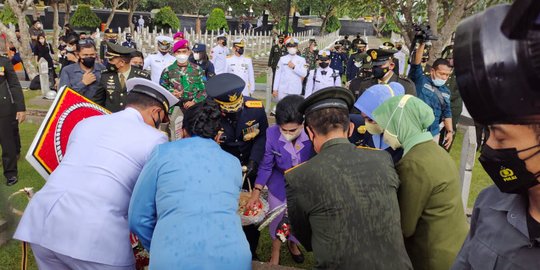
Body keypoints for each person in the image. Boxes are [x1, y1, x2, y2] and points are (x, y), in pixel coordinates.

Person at [14, 78, 179, 270]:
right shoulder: (156, 138)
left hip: (41, 222)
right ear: (156, 112)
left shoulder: (87, 123)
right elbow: (151, 194)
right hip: (94, 236)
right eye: (160, 120)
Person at [285, 87, 412, 269]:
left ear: (309, 132)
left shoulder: (298, 176)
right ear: (351, 128)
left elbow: (305, 236)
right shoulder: (382, 159)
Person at [129, 99, 251, 270]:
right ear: (218, 135)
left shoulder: (162, 153)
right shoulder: (233, 163)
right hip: (233, 258)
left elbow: (137, 218)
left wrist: (159, 247)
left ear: (182, 130)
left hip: (173, 258)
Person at [372, 95, 468, 270]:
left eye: (387, 126)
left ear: (400, 123)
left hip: (432, 257)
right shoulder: (436, 151)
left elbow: (403, 226)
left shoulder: (413, 164)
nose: (384, 132)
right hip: (454, 249)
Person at [206, 73, 269, 260]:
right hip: (222, 172)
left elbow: (261, 136)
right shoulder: (209, 114)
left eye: (237, 106)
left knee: (250, 214)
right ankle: (224, 249)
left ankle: (251, 250)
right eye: (229, 108)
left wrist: (254, 161)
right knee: (223, 212)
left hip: (249, 169)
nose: (234, 111)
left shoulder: (255, 108)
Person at [246, 95, 312, 265]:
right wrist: (256, 191)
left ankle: (292, 243)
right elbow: (266, 165)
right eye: (284, 130)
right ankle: (275, 250)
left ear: (303, 123)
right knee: (277, 218)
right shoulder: (271, 133)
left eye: (293, 130)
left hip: (304, 184)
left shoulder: (313, 133)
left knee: (299, 219)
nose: (288, 134)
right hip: (278, 183)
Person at [409, 42, 453, 148]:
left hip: (432, 133)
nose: (444, 78)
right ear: (433, 71)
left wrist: (450, 131)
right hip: (414, 129)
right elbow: (416, 65)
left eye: (447, 75)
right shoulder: (421, 80)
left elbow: (447, 113)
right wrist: (422, 44)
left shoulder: (446, 92)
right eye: (441, 73)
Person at [353, 82, 405, 163]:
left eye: (370, 119)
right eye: (364, 119)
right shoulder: (371, 132)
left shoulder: (405, 143)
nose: (367, 124)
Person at [93, 42, 151, 112]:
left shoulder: (142, 77)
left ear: (122, 63)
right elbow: (98, 102)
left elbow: (147, 103)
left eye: (111, 60)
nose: (109, 62)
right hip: (112, 118)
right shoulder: (106, 76)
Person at [349, 48, 416, 99]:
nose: (376, 68)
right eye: (374, 65)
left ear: (391, 66)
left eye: (380, 65)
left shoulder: (405, 85)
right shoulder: (365, 84)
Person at [0, 55, 25, 186]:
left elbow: (14, 85)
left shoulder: (4, 62)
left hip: (4, 108)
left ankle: (10, 174)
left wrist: (20, 108)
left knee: (7, 142)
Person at [160, 39, 206, 111]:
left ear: (189, 52)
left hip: (194, 108)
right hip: (175, 108)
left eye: (184, 51)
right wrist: (171, 92)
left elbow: (204, 89)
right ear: (174, 53)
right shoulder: (167, 71)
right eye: (178, 52)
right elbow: (162, 89)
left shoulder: (197, 70)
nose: (181, 54)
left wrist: (194, 101)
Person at [438, 45, 462, 150]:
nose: (451, 60)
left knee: (449, 130)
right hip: (439, 104)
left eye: (453, 58)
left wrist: (444, 98)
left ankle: (445, 149)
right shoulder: (443, 70)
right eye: (449, 58)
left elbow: (458, 92)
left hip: (453, 107)